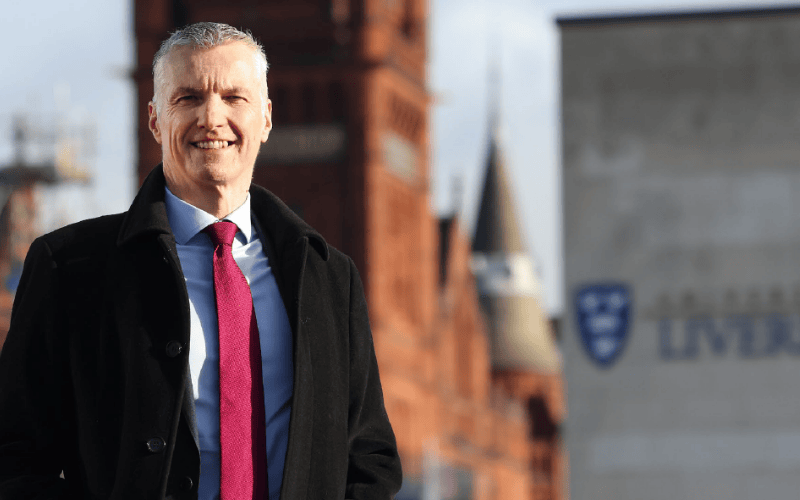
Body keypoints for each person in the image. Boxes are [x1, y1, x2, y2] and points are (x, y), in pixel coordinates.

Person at [0, 22, 401, 500]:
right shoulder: (70, 266)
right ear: (154, 120)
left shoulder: (330, 276)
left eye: (234, 98)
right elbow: (14, 455)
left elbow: (369, 458)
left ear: (266, 118)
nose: (212, 118)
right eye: (187, 98)